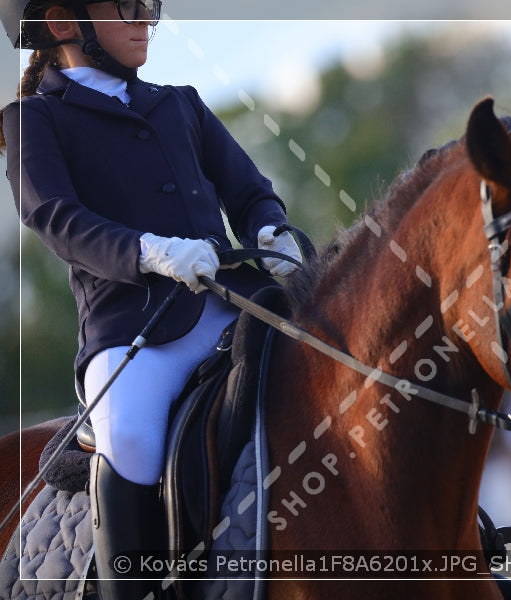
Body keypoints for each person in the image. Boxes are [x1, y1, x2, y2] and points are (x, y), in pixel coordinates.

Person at [0, 1, 303, 597]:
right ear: (63, 24)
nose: (144, 21)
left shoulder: (180, 102)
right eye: (125, 7)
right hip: (135, 331)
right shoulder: (33, 118)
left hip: (239, 306)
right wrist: (150, 251)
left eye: (148, 7)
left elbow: (248, 190)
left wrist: (271, 230)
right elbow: (53, 216)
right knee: (133, 439)